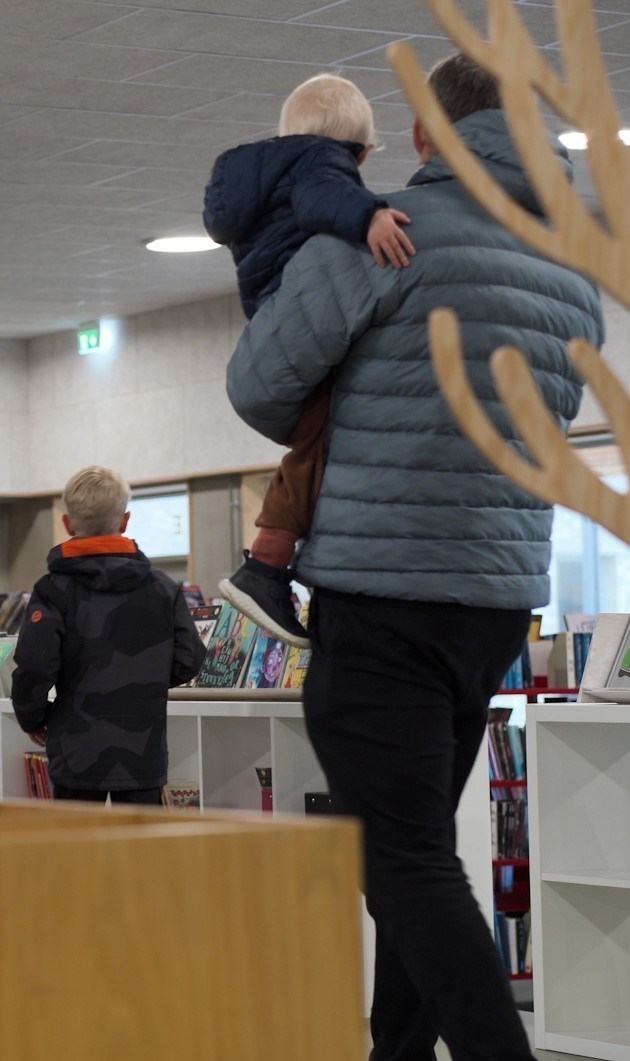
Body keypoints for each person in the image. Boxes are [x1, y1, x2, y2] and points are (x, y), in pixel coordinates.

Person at [227, 54, 603, 1061]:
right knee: (418, 851)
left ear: (426, 137)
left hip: (380, 593)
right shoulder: (571, 265)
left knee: (400, 859)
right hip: (497, 600)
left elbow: (259, 386)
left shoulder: (383, 233)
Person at [205, 73, 417, 648]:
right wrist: (369, 214)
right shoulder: (321, 165)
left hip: (269, 309)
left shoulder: (254, 174)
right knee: (326, 426)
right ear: (362, 152)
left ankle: (273, 559)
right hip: (296, 303)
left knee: (318, 433)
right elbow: (325, 196)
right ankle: (268, 561)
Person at [10, 466, 206, 805]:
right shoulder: (163, 588)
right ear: (125, 520)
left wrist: (33, 716)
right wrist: (146, 679)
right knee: (141, 853)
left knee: (76, 852)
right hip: (143, 748)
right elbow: (190, 657)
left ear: (68, 524)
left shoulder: (53, 590)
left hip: (76, 749)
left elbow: (35, 663)